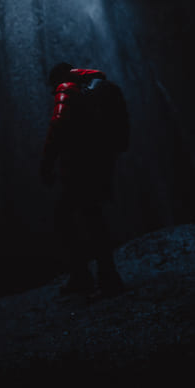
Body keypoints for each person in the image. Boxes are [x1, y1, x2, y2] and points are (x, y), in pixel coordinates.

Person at [40, 62, 128, 296]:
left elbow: (57, 126)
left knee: (65, 218)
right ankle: (106, 276)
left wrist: (46, 164)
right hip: (99, 164)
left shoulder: (67, 90)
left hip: (78, 169)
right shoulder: (93, 90)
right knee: (92, 218)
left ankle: (84, 276)